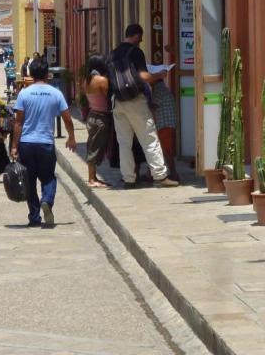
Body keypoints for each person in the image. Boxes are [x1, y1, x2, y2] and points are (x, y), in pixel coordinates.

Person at [109, 24, 178, 188]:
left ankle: (128, 179)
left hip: (117, 101)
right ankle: (160, 176)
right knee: (149, 138)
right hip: (135, 100)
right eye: (140, 38)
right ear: (136, 35)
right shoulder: (135, 51)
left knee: (124, 142)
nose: (140, 41)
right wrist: (160, 74)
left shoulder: (113, 53)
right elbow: (143, 76)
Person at [10, 59, 77, 227]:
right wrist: (71, 136)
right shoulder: (56, 93)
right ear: (47, 74)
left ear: (30, 74)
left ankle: (34, 217)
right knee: (48, 178)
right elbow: (67, 118)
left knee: (29, 181)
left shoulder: (24, 94)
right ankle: (47, 200)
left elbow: (18, 123)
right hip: (46, 143)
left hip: (26, 143)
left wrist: (14, 146)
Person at [82, 54, 112, 188]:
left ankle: (93, 177)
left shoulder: (86, 81)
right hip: (101, 117)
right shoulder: (101, 80)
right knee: (96, 148)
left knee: (92, 145)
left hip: (92, 115)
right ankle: (92, 179)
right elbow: (109, 97)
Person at [150, 50, 180, 183]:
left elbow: (152, 106)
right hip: (169, 124)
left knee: (166, 152)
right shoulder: (164, 88)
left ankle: (174, 174)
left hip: (164, 125)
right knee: (163, 150)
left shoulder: (158, 90)